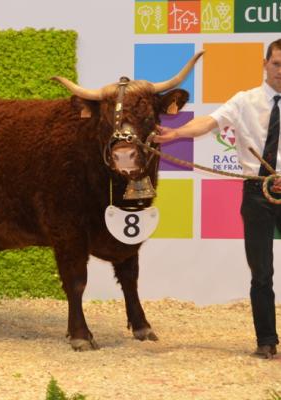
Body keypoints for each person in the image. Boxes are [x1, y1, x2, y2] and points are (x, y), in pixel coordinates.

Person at [155, 39, 281, 359]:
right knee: (262, 272)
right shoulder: (244, 101)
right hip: (256, 192)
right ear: (265, 64)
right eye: (277, 64)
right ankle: (266, 341)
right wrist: (177, 133)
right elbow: (208, 123)